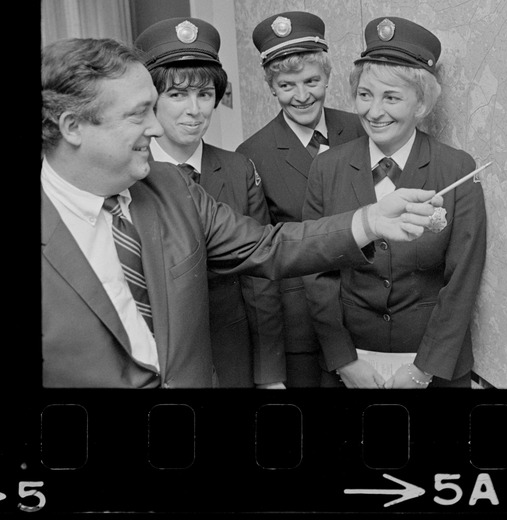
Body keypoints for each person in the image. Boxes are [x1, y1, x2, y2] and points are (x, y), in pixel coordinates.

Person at [41, 36, 441, 389]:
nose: (157, 128)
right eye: (138, 114)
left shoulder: (171, 188)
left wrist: (369, 221)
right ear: (73, 126)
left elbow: (269, 246)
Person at [303, 16, 487, 389]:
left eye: (391, 97)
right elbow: (315, 271)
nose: (374, 111)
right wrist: (343, 361)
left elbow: (462, 280)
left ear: (421, 105)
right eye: (365, 95)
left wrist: (423, 370)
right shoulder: (326, 168)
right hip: (351, 364)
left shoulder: (456, 169)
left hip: (433, 365)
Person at [134, 16, 284, 389]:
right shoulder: (133, 173)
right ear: (152, 100)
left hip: (232, 353)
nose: (194, 109)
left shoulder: (237, 168)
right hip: (158, 360)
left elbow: (260, 278)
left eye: (204, 94)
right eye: (177, 94)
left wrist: (268, 374)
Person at [237, 11, 364, 388]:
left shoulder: (360, 130)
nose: (302, 95)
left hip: (367, 311)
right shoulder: (251, 155)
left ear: (328, 78)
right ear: (271, 88)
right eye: (287, 85)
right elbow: (259, 262)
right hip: (302, 327)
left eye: (312, 81)